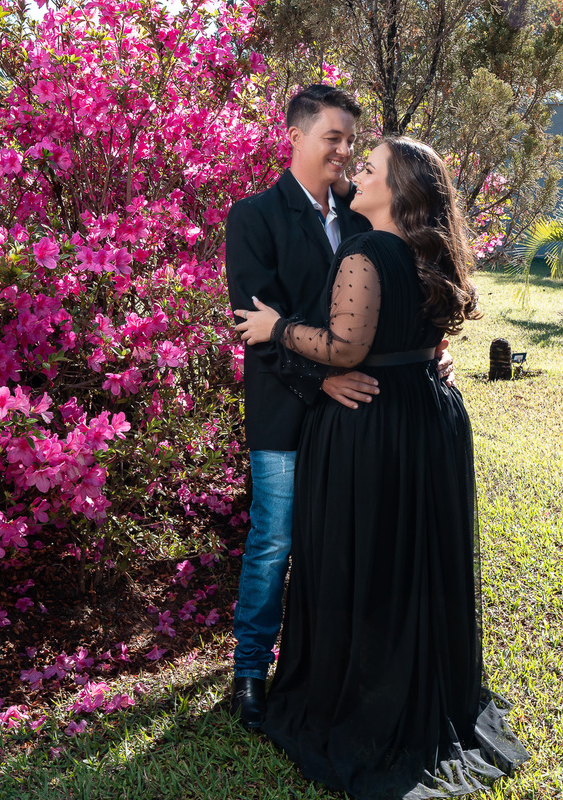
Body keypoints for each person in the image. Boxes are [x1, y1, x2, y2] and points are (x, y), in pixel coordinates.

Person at [234, 138, 530, 799]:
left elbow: (346, 346)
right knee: (412, 563)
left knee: (361, 559)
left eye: (370, 166)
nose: (357, 170)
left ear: (396, 191)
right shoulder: (432, 253)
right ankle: (415, 689)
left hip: (373, 428)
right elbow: (426, 332)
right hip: (427, 421)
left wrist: (277, 329)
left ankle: (364, 701)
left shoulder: (366, 253)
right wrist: (425, 360)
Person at [223, 84, 382, 730]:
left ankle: (323, 667)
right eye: (333, 138)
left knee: (333, 542)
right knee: (274, 541)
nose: (345, 150)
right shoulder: (253, 217)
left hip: (350, 415)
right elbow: (253, 326)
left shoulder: (361, 215)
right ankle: (250, 672)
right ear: (294, 136)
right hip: (285, 412)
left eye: (351, 139)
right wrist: (321, 382)